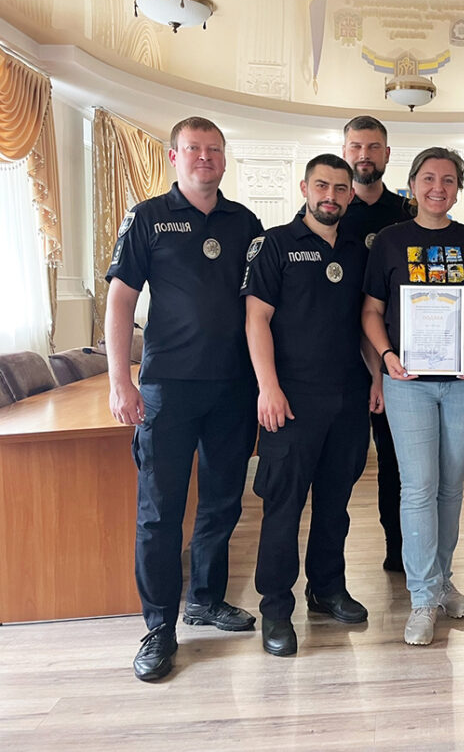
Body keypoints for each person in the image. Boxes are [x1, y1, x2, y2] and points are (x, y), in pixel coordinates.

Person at [105, 116, 263, 681]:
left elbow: (262, 307)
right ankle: (158, 627)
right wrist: (119, 380)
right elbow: (121, 300)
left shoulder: (245, 222)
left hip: (233, 388)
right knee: (160, 513)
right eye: (194, 149)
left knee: (223, 503)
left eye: (214, 149)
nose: (205, 157)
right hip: (167, 389)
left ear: (224, 158)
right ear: (174, 157)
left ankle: (205, 598)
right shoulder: (146, 218)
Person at [241, 154, 379, 657]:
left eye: (341, 189)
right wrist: (268, 388)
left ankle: (327, 589)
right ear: (304, 187)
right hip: (291, 399)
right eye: (322, 185)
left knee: (335, 505)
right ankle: (276, 608)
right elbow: (256, 320)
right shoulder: (275, 244)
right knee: (283, 507)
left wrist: (376, 377)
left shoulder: (357, 249)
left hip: (347, 398)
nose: (332, 196)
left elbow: (365, 320)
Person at [362, 147, 464, 646]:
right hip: (407, 382)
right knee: (418, 486)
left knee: (451, 487)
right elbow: (372, 311)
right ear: (412, 184)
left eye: (450, 180)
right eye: (429, 178)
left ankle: (441, 582)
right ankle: (421, 597)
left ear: (459, 188)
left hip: (463, 382)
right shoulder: (391, 241)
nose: (439, 187)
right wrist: (387, 356)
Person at [341, 115, 414, 573]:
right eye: (355, 147)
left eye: (373, 147)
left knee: (396, 463)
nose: (364, 155)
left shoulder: (408, 215)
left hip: (397, 361)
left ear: (387, 154)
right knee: (342, 465)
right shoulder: (329, 209)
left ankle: (399, 549)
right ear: (344, 152)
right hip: (339, 362)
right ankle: (330, 572)